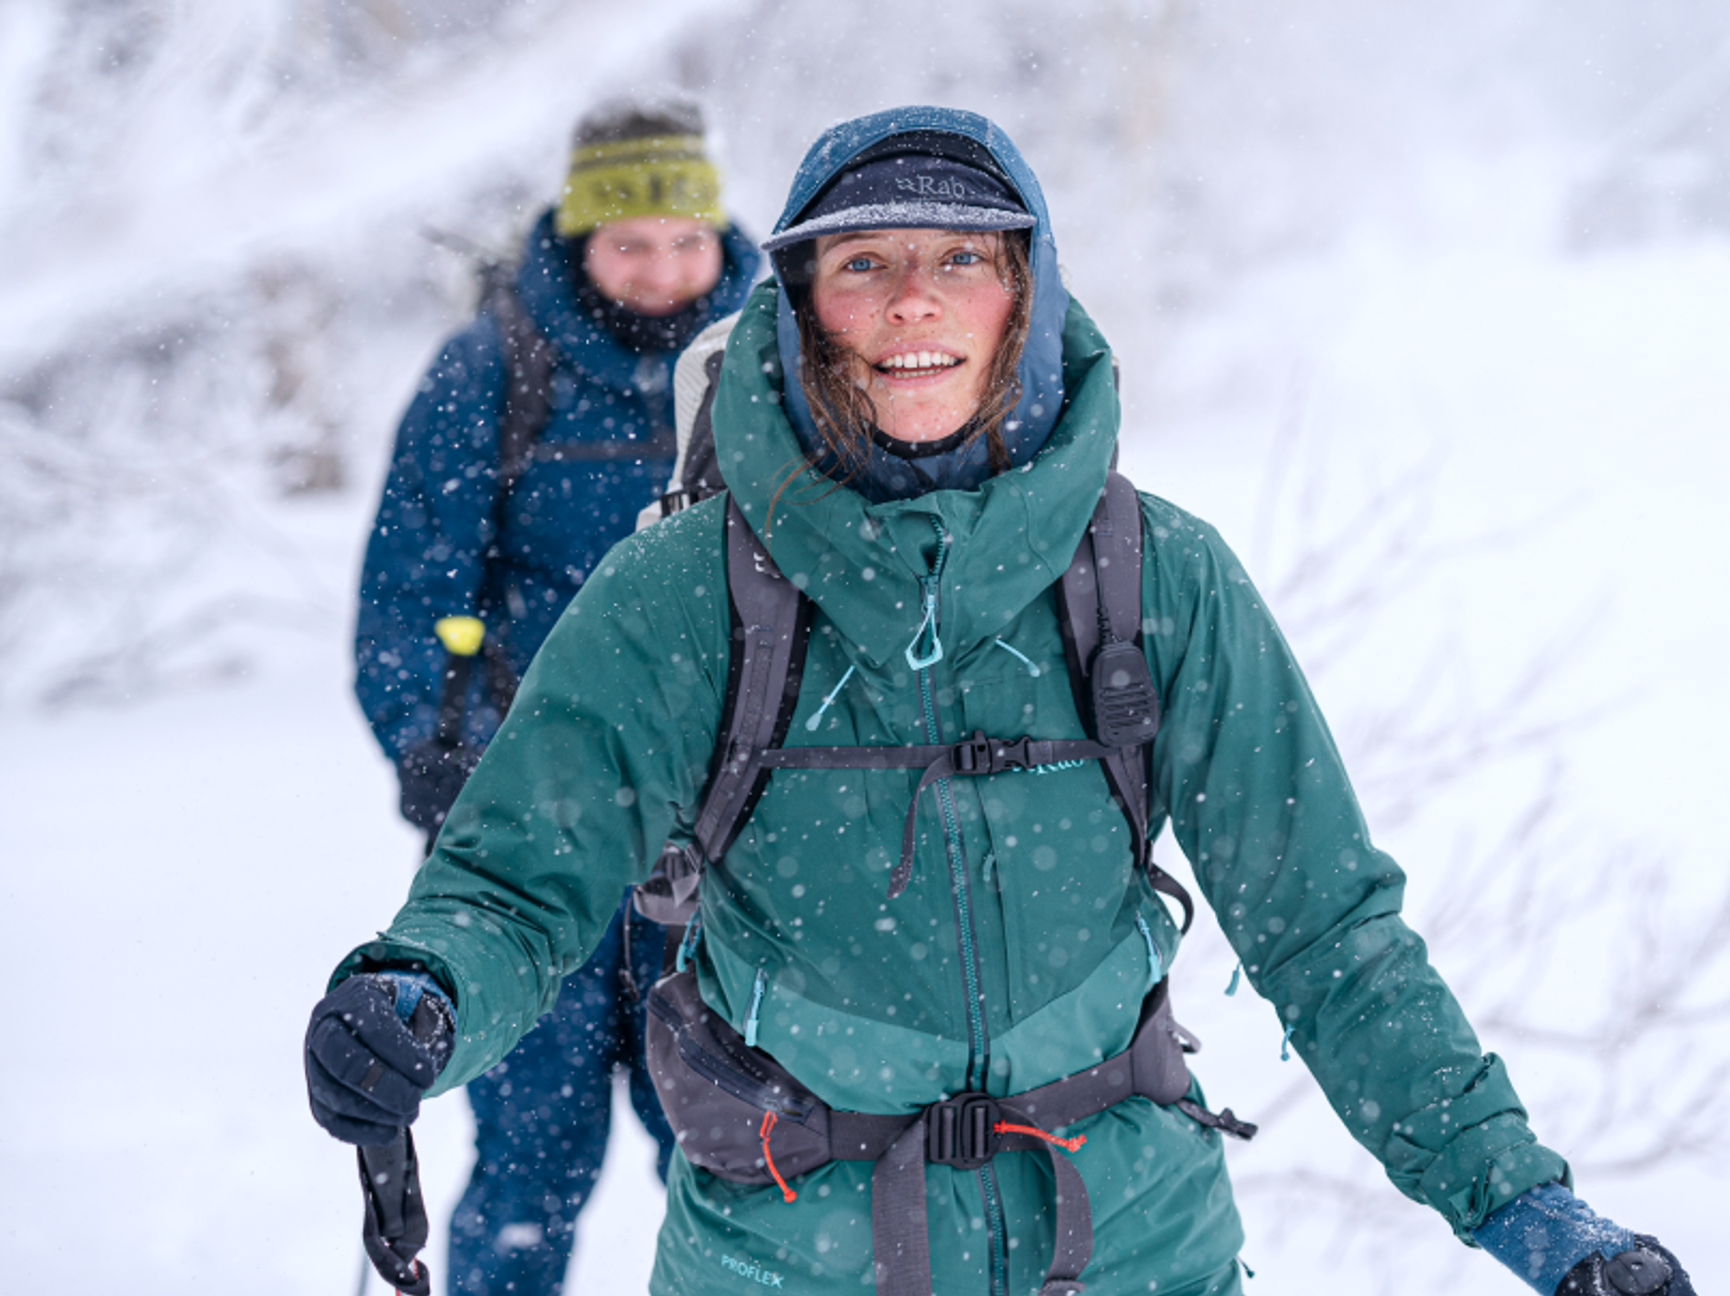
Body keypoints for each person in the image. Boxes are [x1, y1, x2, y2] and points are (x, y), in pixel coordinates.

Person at [311, 107, 1694, 1296]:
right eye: (862, 267)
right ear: (796, 306)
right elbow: (512, 882)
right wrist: (420, 990)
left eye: (960, 260)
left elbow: (1328, 934)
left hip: (1133, 1244)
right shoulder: (681, 592)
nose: (912, 301)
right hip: (790, 1254)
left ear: (1025, 298)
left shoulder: (1157, 577)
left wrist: (1522, 1205)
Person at [348, 94, 760, 1296]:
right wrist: (445, 753)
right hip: (546, 826)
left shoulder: (762, 365)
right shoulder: (494, 370)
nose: (660, 266)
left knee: (734, 1147)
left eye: (684, 239)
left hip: (717, 828)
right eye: (628, 241)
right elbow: (405, 597)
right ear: (579, 238)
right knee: (531, 1153)